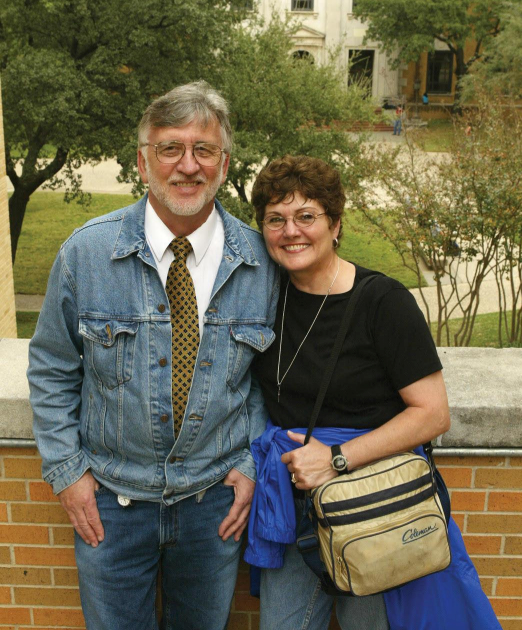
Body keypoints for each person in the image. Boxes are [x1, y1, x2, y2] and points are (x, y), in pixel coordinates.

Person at [27, 81, 279, 630]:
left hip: (215, 506)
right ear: (143, 164)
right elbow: (51, 368)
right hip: (111, 506)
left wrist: (249, 465)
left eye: (203, 150)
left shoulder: (262, 264)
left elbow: (269, 382)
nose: (187, 166)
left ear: (224, 163)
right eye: (170, 148)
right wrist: (68, 474)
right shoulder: (86, 254)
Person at [246, 154, 501, 630]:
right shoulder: (266, 297)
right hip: (292, 501)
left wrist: (337, 457)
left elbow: (432, 414)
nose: (290, 231)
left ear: (335, 224)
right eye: (275, 220)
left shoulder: (382, 302)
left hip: (371, 508)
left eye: (307, 216)